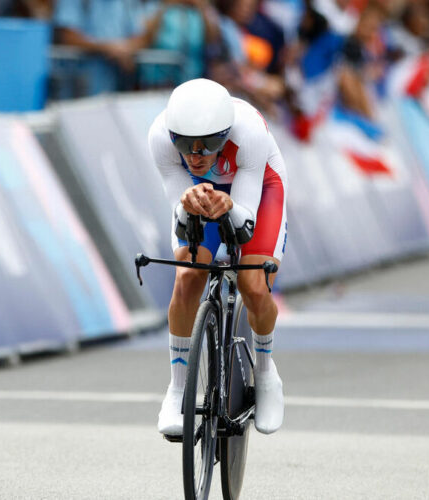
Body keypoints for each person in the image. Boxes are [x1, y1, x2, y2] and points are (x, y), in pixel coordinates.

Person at [148, 78, 287, 436]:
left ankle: (267, 374)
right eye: (186, 145)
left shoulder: (250, 133)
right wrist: (189, 204)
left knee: (253, 285)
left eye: (208, 145)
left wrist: (230, 208)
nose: (195, 155)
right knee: (188, 277)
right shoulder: (160, 137)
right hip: (199, 195)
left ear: (224, 134)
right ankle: (178, 388)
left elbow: (243, 224)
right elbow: (181, 215)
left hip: (258, 186)